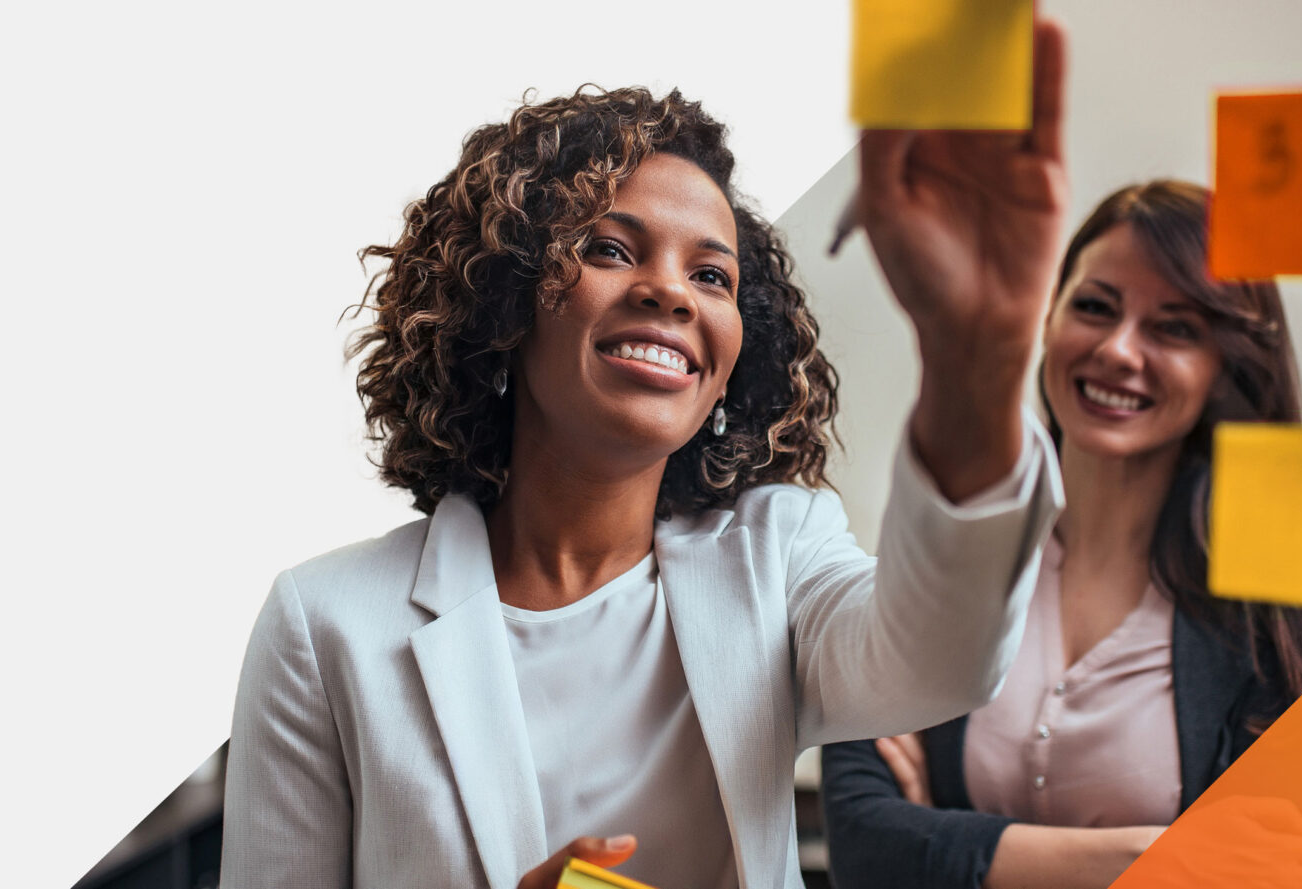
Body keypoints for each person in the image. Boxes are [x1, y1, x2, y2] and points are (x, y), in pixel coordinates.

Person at [220, 21, 1076, 889]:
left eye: (712, 275)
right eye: (609, 249)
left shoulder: (776, 556)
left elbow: (943, 658)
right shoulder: (326, 623)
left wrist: (978, 356)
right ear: (505, 304)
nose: (669, 288)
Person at [818, 180, 1302, 889]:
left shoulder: (1296, 615)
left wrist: (950, 843)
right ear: (1047, 317)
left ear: (1223, 366)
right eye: (1094, 307)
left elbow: (1272, 870)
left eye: (1173, 327)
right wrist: (1158, 856)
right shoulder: (953, 554)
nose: (1117, 349)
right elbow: (867, 847)